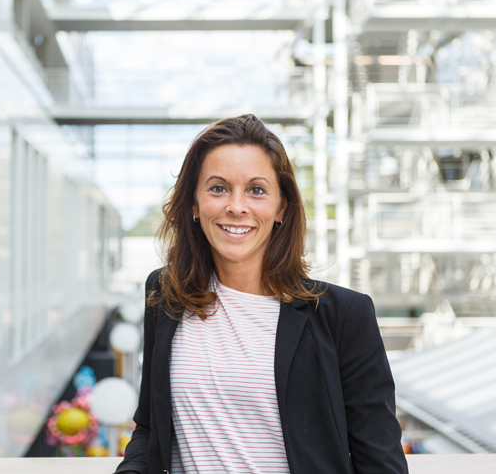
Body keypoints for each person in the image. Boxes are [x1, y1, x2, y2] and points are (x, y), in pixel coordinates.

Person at [114, 115, 408, 474]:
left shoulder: (343, 316)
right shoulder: (165, 294)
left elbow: (380, 463)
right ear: (193, 203)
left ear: (281, 207)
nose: (237, 206)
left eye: (256, 190)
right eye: (218, 188)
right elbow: (150, 429)